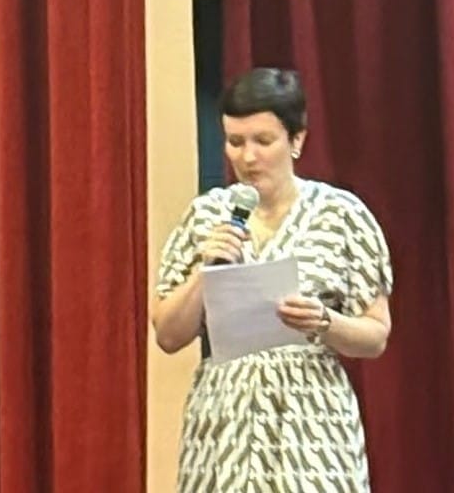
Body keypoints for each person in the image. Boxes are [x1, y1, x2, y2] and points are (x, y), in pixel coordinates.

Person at [152, 67, 393, 492]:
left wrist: (324, 321)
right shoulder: (207, 215)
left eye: (263, 141)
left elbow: (375, 336)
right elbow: (169, 335)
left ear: (296, 140)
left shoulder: (341, 215)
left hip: (312, 421)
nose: (248, 158)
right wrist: (204, 273)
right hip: (225, 420)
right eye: (235, 142)